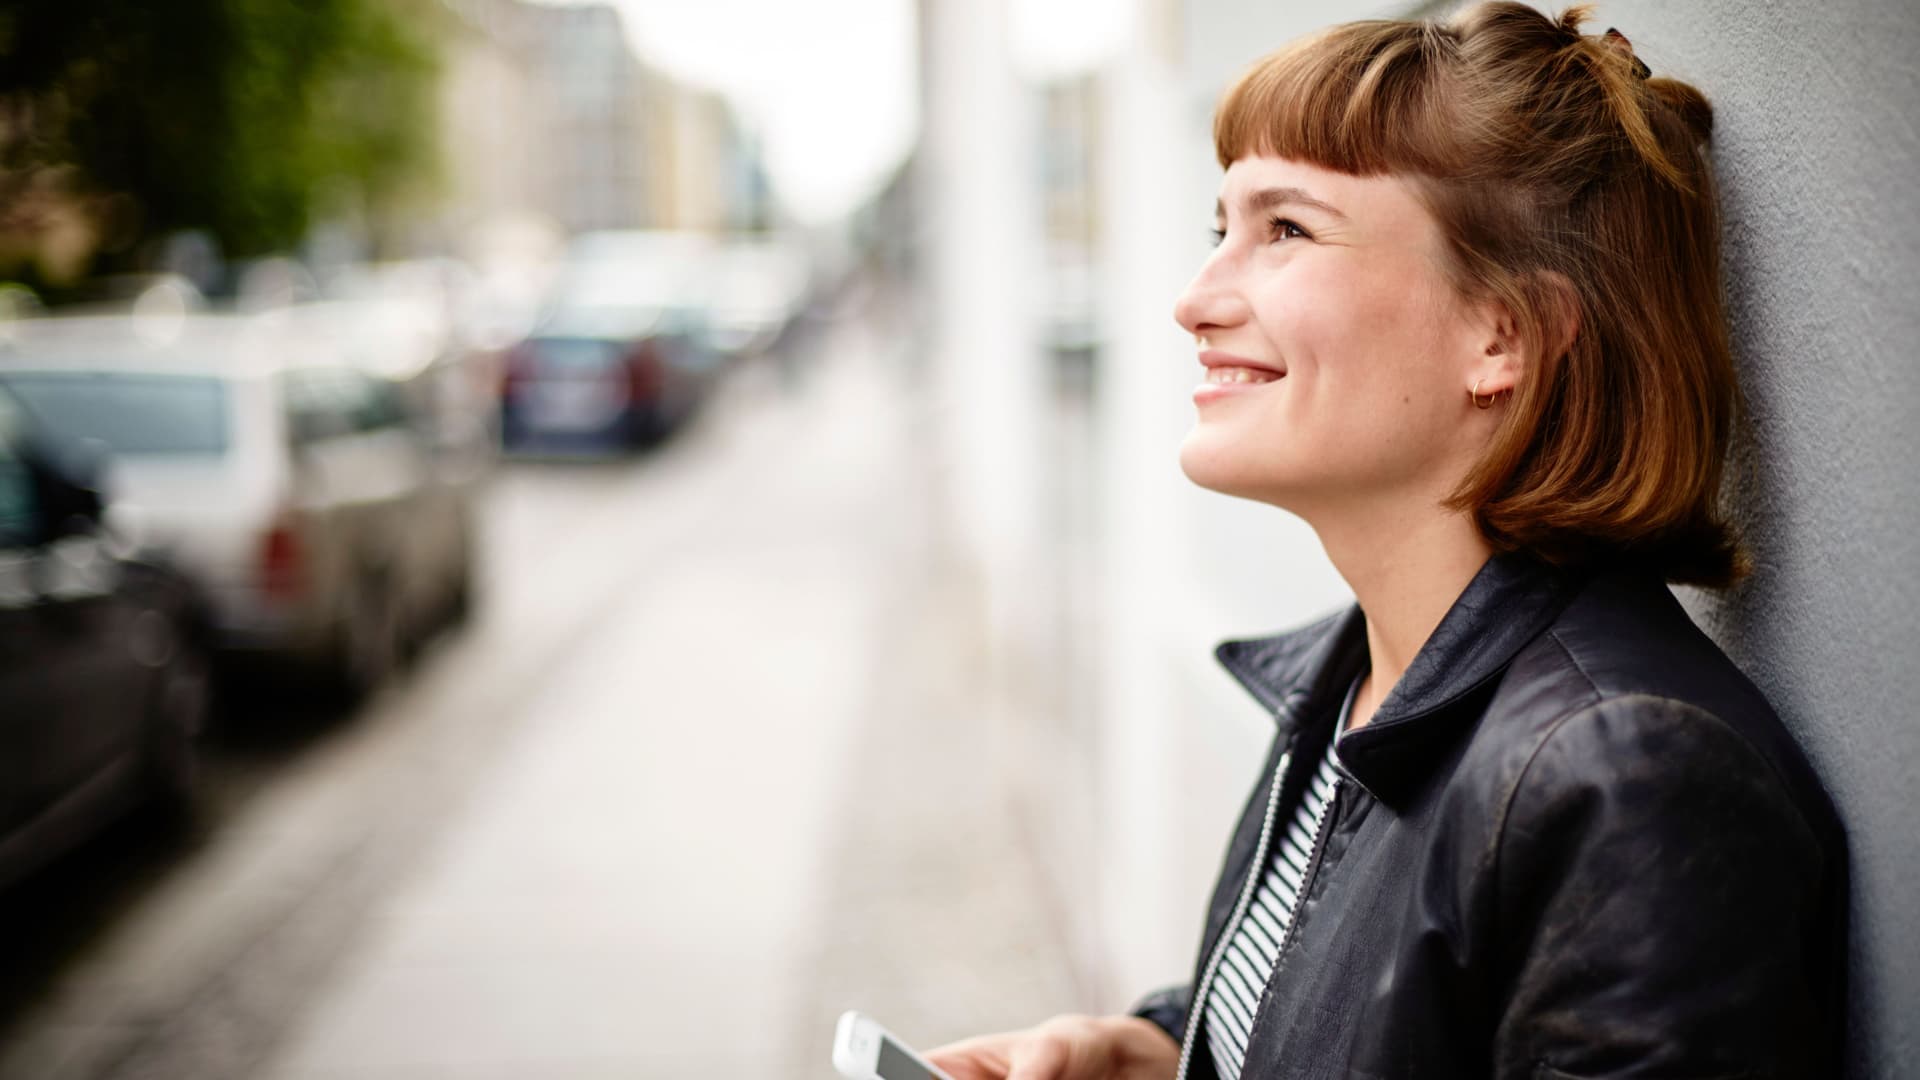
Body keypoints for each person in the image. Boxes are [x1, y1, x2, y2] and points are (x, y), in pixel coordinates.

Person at [926, 4, 1847, 1078]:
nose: (1194, 299)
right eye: (1217, 229)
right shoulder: (1366, 678)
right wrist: (1155, 1054)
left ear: (1501, 333)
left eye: (1287, 230)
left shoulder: (1627, 783)